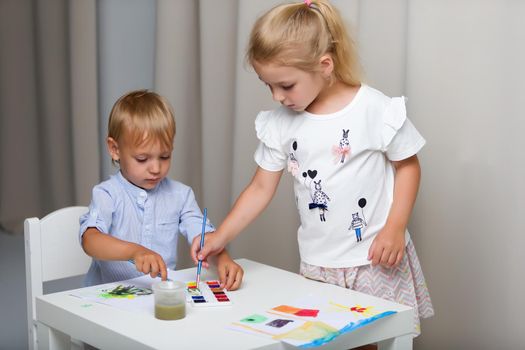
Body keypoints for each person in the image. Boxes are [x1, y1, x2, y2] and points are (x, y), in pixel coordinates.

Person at [191, 0, 433, 335]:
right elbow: (261, 188)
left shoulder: (373, 108)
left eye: (286, 85)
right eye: (268, 85)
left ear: (325, 65)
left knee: (371, 342)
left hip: (374, 261)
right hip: (319, 264)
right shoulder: (280, 124)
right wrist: (222, 236)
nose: (277, 96)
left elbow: (408, 166)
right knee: (323, 339)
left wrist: (395, 226)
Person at [80, 89, 243, 290]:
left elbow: (205, 238)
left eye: (164, 157)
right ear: (115, 149)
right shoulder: (107, 194)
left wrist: (223, 258)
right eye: (142, 159)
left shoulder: (181, 196)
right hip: (107, 300)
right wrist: (135, 251)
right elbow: (90, 240)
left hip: (156, 297)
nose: (156, 168)